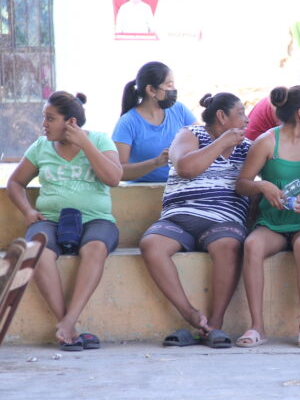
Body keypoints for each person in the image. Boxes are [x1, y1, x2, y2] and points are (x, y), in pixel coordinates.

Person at [6, 91, 122, 350]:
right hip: (50, 220)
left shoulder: (101, 140)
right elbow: (15, 182)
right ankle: (68, 325)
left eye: (50, 118)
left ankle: (68, 322)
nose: (43, 124)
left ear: (70, 122)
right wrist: (27, 211)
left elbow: (113, 178)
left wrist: (85, 143)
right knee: (36, 252)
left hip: (96, 220)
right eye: (44, 118)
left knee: (95, 248)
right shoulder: (40, 146)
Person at [138, 92, 251, 348]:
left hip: (224, 220)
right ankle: (190, 314)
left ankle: (214, 325)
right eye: (241, 113)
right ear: (222, 116)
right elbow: (186, 168)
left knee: (228, 246)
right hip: (179, 217)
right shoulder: (190, 134)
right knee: (151, 245)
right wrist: (221, 143)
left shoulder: (248, 146)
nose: (247, 119)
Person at [235, 85, 300, 348]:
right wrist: (262, 186)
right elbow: (242, 184)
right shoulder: (266, 142)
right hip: (272, 223)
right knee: (252, 245)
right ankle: (257, 327)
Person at [112, 61, 196, 182]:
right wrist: (156, 163)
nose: (174, 90)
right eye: (169, 85)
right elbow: (118, 171)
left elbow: (202, 138)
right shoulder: (127, 122)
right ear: (151, 90)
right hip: (142, 194)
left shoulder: (179, 110)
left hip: (178, 190)